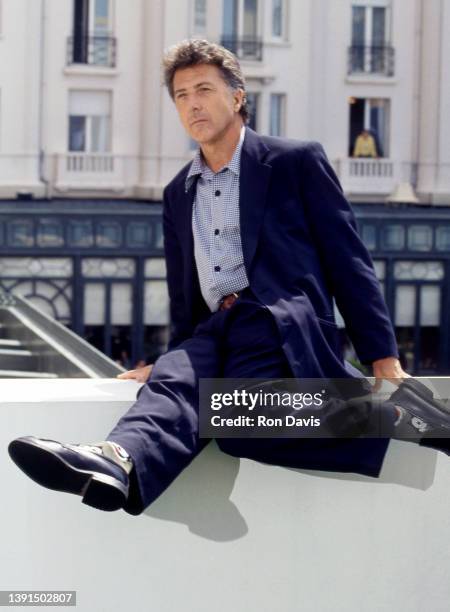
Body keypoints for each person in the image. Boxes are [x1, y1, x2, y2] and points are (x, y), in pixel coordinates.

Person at [8, 40, 450, 515]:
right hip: (217, 325)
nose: (192, 103)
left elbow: (349, 260)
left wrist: (383, 361)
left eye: (203, 89)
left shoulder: (293, 161)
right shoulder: (177, 190)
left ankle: (396, 412)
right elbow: (185, 292)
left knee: (238, 431)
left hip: (274, 319)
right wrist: (172, 356)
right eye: (180, 95)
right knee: (177, 376)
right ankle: (115, 460)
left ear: (237, 97)